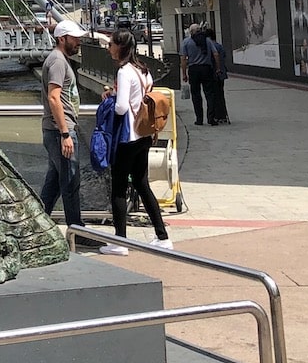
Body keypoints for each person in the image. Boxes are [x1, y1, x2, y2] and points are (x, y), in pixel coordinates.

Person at [101, 28, 171, 253]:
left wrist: (111, 96)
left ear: (119, 46)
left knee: (119, 188)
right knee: (142, 184)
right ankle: (162, 235)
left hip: (127, 136)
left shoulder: (124, 71)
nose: (109, 47)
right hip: (144, 135)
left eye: (111, 44)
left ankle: (120, 241)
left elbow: (121, 107)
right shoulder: (143, 69)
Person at [39, 17, 85, 231]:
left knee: (55, 182)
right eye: (75, 39)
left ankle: (39, 225)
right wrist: (65, 133)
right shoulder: (57, 61)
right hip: (60, 131)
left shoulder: (59, 59)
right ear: (62, 38)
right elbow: (54, 97)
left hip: (57, 130)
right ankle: (77, 229)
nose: (78, 43)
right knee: (70, 182)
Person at [180, 21, 217, 125]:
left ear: (191, 32)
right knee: (209, 94)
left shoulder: (186, 42)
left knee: (196, 95)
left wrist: (184, 74)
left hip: (194, 70)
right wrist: (217, 68)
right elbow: (216, 54)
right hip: (206, 69)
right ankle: (211, 118)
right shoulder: (207, 41)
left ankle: (199, 119)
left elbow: (183, 59)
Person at [204, 25, 231, 124]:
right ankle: (222, 115)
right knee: (220, 94)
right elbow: (223, 57)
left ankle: (217, 115)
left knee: (214, 95)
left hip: (214, 74)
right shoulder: (220, 46)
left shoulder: (210, 47)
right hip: (222, 74)